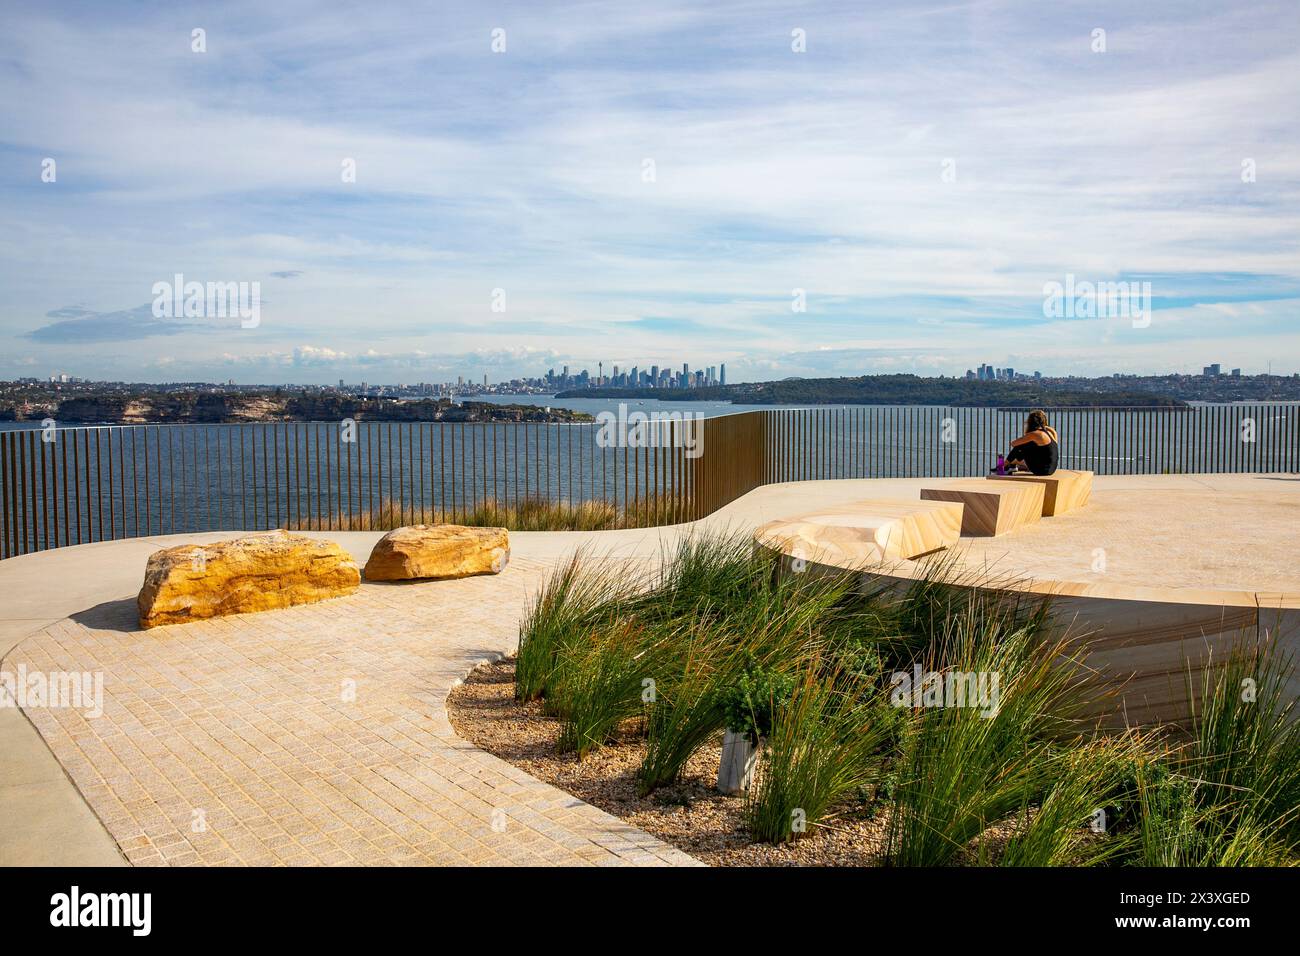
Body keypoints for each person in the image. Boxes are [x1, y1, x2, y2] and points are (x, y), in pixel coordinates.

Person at [1003, 409, 1059, 476]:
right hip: (1051, 469)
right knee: (1028, 445)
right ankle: (1010, 465)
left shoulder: (1036, 434)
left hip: (1041, 470)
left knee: (1020, 446)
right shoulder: (1051, 432)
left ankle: (1003, 466)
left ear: (1030, 422)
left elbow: (1013, 443)